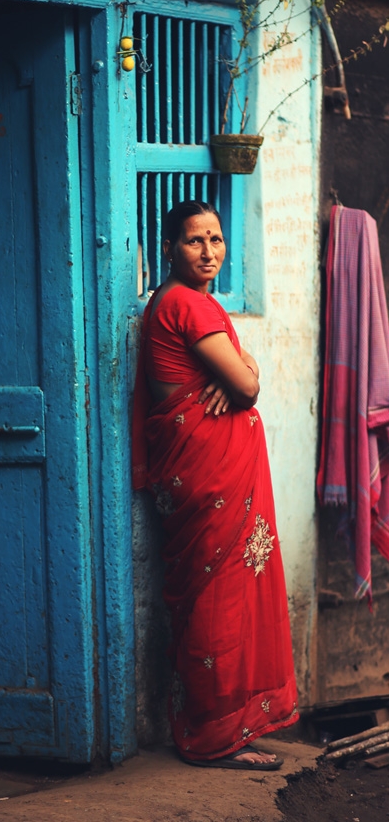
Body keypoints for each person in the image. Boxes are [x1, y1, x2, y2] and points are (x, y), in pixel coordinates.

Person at [132, 200, 298, 770]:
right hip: (209, 476)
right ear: (169, 248)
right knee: (217, 600)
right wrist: (242, 379)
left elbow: (241, 377)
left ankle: (227, 724)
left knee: (219, 596)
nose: (209, 252)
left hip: (208, 471)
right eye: (194, 241)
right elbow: (248, 386)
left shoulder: (184, 303)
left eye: (217, 239)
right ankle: (212, 737)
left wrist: (239, 376)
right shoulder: (187, 304)